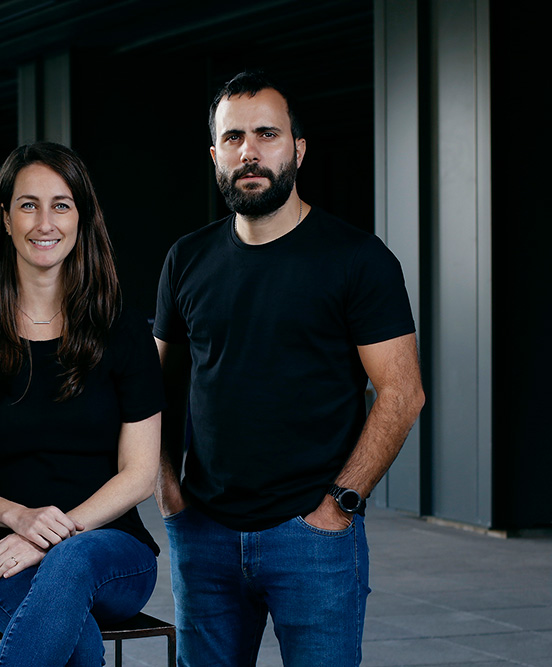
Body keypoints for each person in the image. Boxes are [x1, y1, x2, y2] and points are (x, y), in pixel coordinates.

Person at [154, 72, 425, 666]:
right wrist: (169, 492)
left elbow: (402, 393)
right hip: (203, 533)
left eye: (267, 134)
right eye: (233, 139)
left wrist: (338, 508)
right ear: (215, 155)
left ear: (298, 149)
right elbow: (157, 387)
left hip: (312, 539)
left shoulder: (357, 259)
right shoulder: (187, 259)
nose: (249, 152)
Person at [0, 142, 164, 666]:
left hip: (107, 551)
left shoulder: (124, 336)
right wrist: (18, 518)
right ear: (6, 220)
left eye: (61, 204)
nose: (44, 221)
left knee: (71, 564)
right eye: (28, 204)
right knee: (71, 638)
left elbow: (141, 473)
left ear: (81, 218)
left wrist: (52, 537)